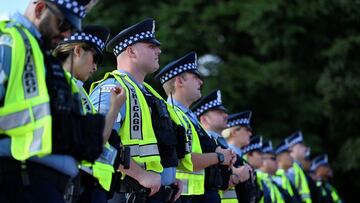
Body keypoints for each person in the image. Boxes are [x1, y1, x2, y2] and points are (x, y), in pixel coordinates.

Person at [0, 0, 93, 202]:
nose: (68, 34)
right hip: (18, 181)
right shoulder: (9, 41)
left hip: (45, 185)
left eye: (72, 28)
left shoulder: (41, 56)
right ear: (41, 9)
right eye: (64, 24)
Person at [89, 18, 183, 203]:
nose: (159, 50)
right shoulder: (112, 88)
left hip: (159, 193)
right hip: (129, 193)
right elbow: (99, 140)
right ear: (131, 51)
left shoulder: (149, 94)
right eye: (150, 46)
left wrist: (170, 177)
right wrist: (140, 174)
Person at [53, 25, 126, 202]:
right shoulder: (62, 87)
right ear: (78, 50)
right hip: (77, 186)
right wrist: (115, 108)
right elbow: (97, 140)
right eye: (95, 59)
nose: (95, 67)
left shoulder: (78, 90)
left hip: (86, 186)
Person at [154, 51, 233, 203]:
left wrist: (221, 152)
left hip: (199, 195)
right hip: (185, 197)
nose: (201, 82)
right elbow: (187, 160)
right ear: (179, 81)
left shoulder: (189, 117)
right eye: (195, 77)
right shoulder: (169, 115)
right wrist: (220, 157)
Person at [192, 90, 252, 203]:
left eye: (224, 112)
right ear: (204, 119)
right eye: (218, 112)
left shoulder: (220, 144)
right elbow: (213, 182)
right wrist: (237, 177)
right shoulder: (202, 144)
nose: (226, 115)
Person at [221, 111, 261, 203]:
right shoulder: (227, 155)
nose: (250, 134)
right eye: (246, 130)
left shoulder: (240, 156)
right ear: (234, 132)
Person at [286, 131, 312, 203]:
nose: (305, 148)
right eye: (301, 145)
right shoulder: (291, 168)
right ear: (292, 148)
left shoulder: (297, 167)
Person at [273, 139, 302, 203]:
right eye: (288, 154)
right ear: (279, 157)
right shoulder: (276, 178)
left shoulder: (286, 176)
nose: (291, 157)